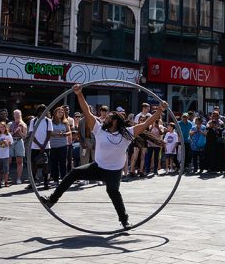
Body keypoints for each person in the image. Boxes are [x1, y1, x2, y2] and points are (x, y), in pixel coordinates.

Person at [41, 85, 169, 229]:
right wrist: (79, 94)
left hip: (114, 171)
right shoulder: (99, 130)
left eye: (108, 118)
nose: (105, 119)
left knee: (113, 191)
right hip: (98, 167)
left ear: (115, 121)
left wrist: (160, 110)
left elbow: (146, 123)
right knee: (75, 172)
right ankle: (52, 200)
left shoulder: (127, 133)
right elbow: (87, 111)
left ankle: (124, 220)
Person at [28, 104, 53, 190]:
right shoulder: (33, 121)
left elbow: (49, 134)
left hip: (46, 147)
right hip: (35, 147)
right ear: (37, 112)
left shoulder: (48, 121)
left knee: (45, 165)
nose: (42, 113)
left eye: (43, 111)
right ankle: (32, 183)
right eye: (40, 111)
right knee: (34, 165)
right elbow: (31, 134)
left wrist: (43, 145)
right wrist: (39, 145)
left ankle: (46, 183)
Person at [50, 106, 71, 186]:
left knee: (63, 162)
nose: (61, 113)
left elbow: (69, 132)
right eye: (59, 112)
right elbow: (49, 132)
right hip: (53, 145)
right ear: (55, 113)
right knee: (54, 163)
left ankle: (63, 179)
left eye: (62, 112)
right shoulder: (50, 122)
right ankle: (55, 180)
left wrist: (64, 134)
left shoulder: (65, 122)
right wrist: (57, 134)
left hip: (63, 145)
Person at [8, 109, 27, 184]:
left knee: (19, 161)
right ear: (13, 115)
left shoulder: (23, 124)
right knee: (8, 160)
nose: (17, 115)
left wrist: (20, 132)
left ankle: (18, 178)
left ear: (20, 115)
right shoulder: (10, 124)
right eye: (15, 114)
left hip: (19, 141)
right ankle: (6, 177)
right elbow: (7, 135)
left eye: (18, 114)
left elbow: (24, 136)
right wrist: (14, 132)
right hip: (11, 141)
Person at [0, 121, 13, 188]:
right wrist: (1, 142)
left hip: (5, 155)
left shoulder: (8, 134)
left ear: (5, 127)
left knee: (6, 170)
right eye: (1, 127)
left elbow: (11, 143)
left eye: (4, 126)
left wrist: (7, 143)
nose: (2, 128)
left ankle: (6, 182)